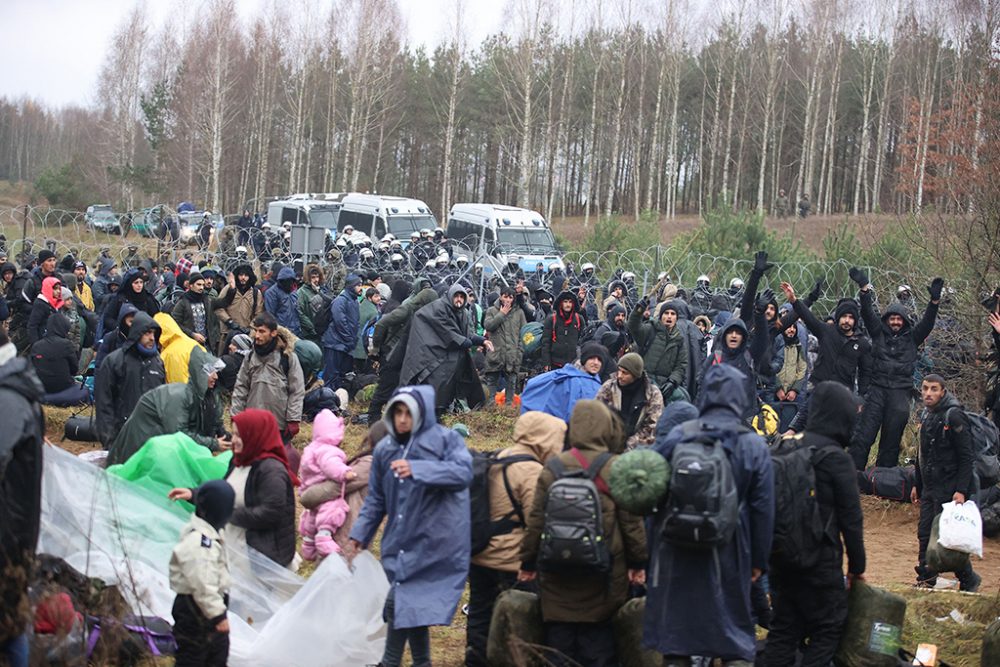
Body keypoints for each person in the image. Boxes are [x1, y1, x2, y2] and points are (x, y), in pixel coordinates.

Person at [645, 365, 774, 665]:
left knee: (677, 638)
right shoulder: (752, 444)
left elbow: (653, 494)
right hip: (731, 549)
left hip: (676, 548)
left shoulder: (678, 435)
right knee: (732, 636)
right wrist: (759, 561)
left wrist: (654, 548)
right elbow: (764, 509)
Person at [348, 385, 473, 667]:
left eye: (409, 413)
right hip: (401, 540)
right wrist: (360, 534)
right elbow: (376, 498)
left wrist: (420, 469)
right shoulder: (386, 450)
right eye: (398, 412)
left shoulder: (445, 441)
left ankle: (389, 662)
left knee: (399, 601)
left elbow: (463, 472)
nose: (403, 419)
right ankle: (421, 662)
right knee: (409, 605)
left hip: (435, 539)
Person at [518, 400, 647, 667]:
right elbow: (632, 524)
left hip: (556, 575)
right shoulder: (616, 468)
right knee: (598, 649)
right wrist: (637, 564)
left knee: (558, 649)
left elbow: (536, 522)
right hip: (604, 577)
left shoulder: (553, 468)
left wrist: (528, 563)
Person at [763, 382, 866, 666]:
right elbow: (851, 521)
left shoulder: (782, 448)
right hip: (820, 561)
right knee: (828, 626)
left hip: (780, 557)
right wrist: (857, 568)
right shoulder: (837, 458)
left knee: (784, 629)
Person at [466, 411, 567, 667]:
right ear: (543, 438)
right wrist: (533, 562)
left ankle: (476, 659)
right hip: (513, 562)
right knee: (518, 620)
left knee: (479, 612)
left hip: (480, 553)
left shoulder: (496, 457)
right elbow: (537, 522)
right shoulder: (533, 471)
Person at [850, 270, 942, 469]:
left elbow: (927, 324)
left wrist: (934, 303)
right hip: (877, 391)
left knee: (891, 440)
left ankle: (883, 477)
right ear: (886, 320)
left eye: (899, 319)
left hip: (900, 393)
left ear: (905, 321)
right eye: (891, 319)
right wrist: (864, 289)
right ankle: (854, 475)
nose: (895, 322)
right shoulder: (877, 333)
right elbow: (867, 313)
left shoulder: (912, 338)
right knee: (864, 435)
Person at [0, 326, 44, 667]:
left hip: (8, 532)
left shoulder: (8, 400)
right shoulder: (15, 390)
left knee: (10, 622)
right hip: (17, 525)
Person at [911, 374, 981, 591]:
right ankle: (926, 579)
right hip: (930, 486)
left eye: (933, 389)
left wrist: (961, 490)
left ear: (943, 392)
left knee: (946, 539)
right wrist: (917, 484)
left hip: (949, 487)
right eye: (925, 388)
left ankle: (968, 578)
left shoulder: (954, 416)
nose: (928, 393)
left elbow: (966, 457)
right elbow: (922, 454)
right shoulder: (926, 414)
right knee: (924, 534)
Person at [780, 281, 872, 432]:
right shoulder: (826, 331)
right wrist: (794, 300)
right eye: (844, 316)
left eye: (850, 317)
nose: (847, 320)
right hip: (819, 390)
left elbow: (865, 373)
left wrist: (861, 398)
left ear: (855, 320)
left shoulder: (862, 343)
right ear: (838, 317)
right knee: (797, 427)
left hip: (843, 395)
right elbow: (808, 317)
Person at [108, 349, 226, 465]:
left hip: (159, 447)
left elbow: (215, 423)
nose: (215, 376)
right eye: (211, 371)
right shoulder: (180, 396)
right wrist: (213, 443)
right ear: (200, 373)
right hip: (142, 443)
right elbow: (178, 434)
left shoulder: (206, 398)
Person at [168, 481, 234, 667]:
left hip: (204, 608)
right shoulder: (200, 543)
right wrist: (217, 616)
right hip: (197, 611)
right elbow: (203, 584)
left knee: (215, 654)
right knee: (195, 656)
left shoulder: (206, 532)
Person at [399, 284, 493, 415]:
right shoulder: (440, 309)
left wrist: (482, 341)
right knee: (436, 391)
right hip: (434, 358)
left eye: (462, 297)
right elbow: (451, 336)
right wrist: (469, 342)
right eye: (457, 296)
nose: (459, 300)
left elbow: (466, 334)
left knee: (448, 391)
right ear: (451, 296)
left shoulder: (461, 313)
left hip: (450, 359)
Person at [299, 420, 383, 552]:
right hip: (347, 529)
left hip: (348, 532)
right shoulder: (372, 463)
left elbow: (336, 487)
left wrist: (307, 496)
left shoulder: (369, 465)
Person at [231, 312, 305, 443]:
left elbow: (297, 390)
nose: (257, 335)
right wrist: (236, 416)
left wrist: (293, 419)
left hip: (278, 424)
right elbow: (241, 387)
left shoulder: (287, 357)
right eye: (255, 331)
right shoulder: (250, 357)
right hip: (252, 422)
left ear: (273, 333)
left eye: (262, 331)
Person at [94, 312, 165, 448]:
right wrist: (109, 439)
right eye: (147, 333)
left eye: (154, 333)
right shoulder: (115, 362)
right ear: (137, 333)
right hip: (122, 436)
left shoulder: (158, 363)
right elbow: (104, 403)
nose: (152, 338)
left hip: (151, 439)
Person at [298, 409, 355, 559]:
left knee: (312, 516)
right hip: (324, 490)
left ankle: (308, 545)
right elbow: (331, 465)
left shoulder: (311, 449)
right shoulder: (328, 450)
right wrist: (344, 472)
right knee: (332, 511)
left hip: (310, 489)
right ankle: (324, 538)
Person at [595, 352, 664, 450]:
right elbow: (595, 414)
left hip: (638, 449)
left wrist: (628, 445)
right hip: (607, 445)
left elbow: (652, 426)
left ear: (635, 375)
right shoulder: (609, 387)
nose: (619, 375)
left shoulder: (652, 394)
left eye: (625, 373)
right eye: (619, 370)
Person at [629, 299, 689, 399]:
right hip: (644, 380)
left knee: (683, 398)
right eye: (666, 313)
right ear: (661, 316)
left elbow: (681, 365)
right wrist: (638, 311)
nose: (669, 316)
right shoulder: (650, 329)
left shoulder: (679, 340)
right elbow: (634, 327)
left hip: (664, 384)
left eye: (673, 314)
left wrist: (672, 381)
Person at [29, 312, 90, 407]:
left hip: (41, 391)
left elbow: (32, 369)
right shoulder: (66, 345)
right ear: (64, 327)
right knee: (85, 390)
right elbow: (74, 370)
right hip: (64, 389)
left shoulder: (36, 346)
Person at [483, 286, 527, 400]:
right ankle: (490, 410)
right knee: (491, 384)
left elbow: (524, 334)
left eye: (510, 297)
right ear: (501, 297)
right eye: (505, 296)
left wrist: (519, 352)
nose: (507, 300)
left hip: (512, 356)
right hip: (495, 354)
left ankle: (508, 410)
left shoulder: (519, 313)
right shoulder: (492, 311)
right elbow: (488, 326)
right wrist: (501, 314)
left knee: (511, 384)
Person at [321, 274, 362, 391]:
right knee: (331, 375)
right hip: (335, 343)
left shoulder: (354, 301)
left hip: (344, 344)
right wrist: (349, 339)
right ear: (350, 286)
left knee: (340, 375)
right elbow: (340, 322)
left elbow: (355, 322)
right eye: (358, 285)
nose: (361, 288)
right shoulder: (341, 300)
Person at [100, 268, 159, 337]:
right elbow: (108, 318)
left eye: (141, 282)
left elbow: (156, 317)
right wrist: (120, 329)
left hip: (144, 335)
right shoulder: (119, 298)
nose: (139, 285)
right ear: (130, 283)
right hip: (122, 336)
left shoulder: (148, 298)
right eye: (136, 283)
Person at [172, 272, 221, 353]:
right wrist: (192, 334)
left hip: (206, 346)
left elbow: (214, 321)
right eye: (198, 284)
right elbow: (175, 323)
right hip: (189, 346)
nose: (201, 287)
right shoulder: (183, 302)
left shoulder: (206, 300)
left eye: (202, 285)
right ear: (191, 285)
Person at [541, 290, 584, 370]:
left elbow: (583, 340)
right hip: (555, 363)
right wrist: (546, 363)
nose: (568, 305)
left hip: (574, 364)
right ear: (561, 303)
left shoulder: (579, 319)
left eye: (570, 302)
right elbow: (546, 343)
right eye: (565, 302)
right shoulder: (551, 320)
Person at [26, 275, 63, 346]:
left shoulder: (57, 304)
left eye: (59, 289)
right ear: (48, 288)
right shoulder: (40, 304)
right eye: (55, 289)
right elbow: (32, 325)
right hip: (43, 342)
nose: (58, 291)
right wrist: (36, 345)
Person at [263, 266, 301, 336]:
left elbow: (297, 312)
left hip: (296, 331)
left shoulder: (293, 292)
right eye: (287, 281)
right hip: (281, 332)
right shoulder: (272, 293)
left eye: (291, 281)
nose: (289, 284)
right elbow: (270, 315)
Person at [297, 265, 327, 346]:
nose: (316, 280)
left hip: (320, 335)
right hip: (308, 335)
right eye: (313, 277)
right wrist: (312, 328)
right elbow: (300, 313)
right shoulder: (302, 293)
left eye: (317, 277)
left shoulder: (321, 291)